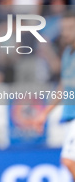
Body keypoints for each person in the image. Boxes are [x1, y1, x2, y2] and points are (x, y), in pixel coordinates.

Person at [33, 12, 75, 180]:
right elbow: (64, 86)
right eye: (63, 29)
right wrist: (45, 112)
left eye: (71, 28)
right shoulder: (67, 54)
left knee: (68, 160)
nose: (66, 32)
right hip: (69, 115)